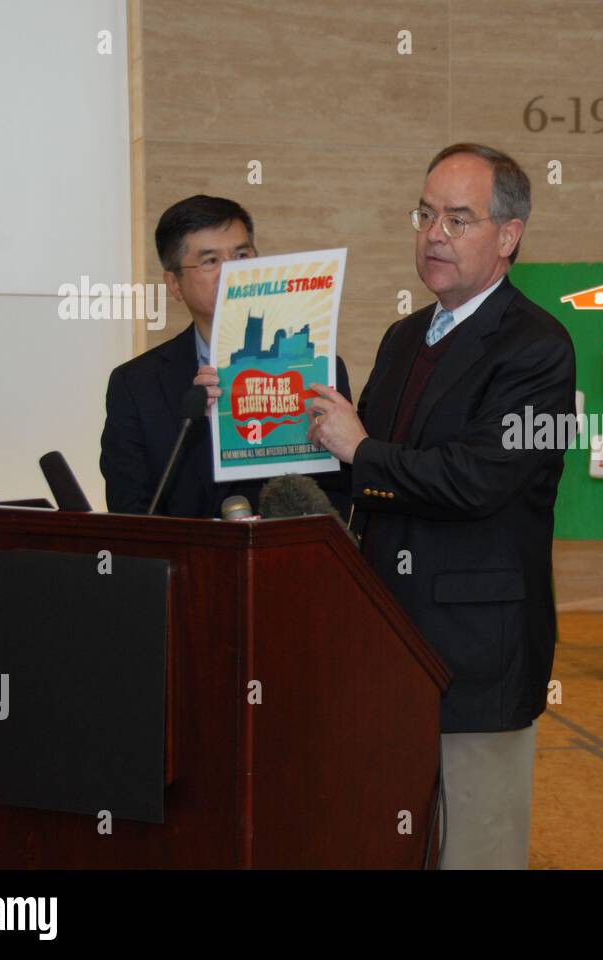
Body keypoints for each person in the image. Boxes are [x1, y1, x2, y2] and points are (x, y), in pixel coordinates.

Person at [202, 144, 576, 868]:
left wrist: (361, 450)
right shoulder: (407, 336)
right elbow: (357, 478)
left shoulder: (538, 346)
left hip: (478, 657)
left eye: (459, 218)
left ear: (509, 236)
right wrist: (245, 413)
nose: (434, 233)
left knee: (476, 849)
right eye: (426, 213)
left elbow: (479, 480)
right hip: (387, 647)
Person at [101, 195, 352, 517]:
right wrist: (206, 429)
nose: (232, 271)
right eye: (210, 261)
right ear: (174, 284)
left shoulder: (317, 369)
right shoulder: (135, 385)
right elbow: (133, 513)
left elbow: (337, 497)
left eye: (242, 254)